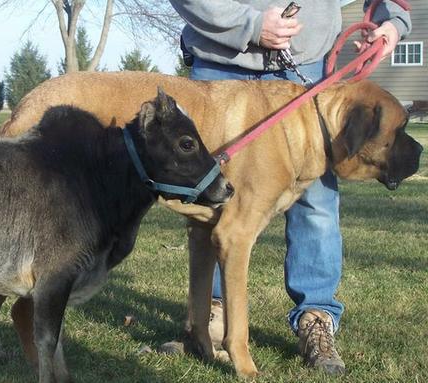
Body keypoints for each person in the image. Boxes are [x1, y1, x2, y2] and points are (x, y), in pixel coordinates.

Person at [167, 0, 411, 375]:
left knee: (316, 204)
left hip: (303, 65)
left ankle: (316, 317)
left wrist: (392, 20)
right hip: (221, 60)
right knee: (207, 203)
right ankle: (212, 315)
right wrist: (248, 25)